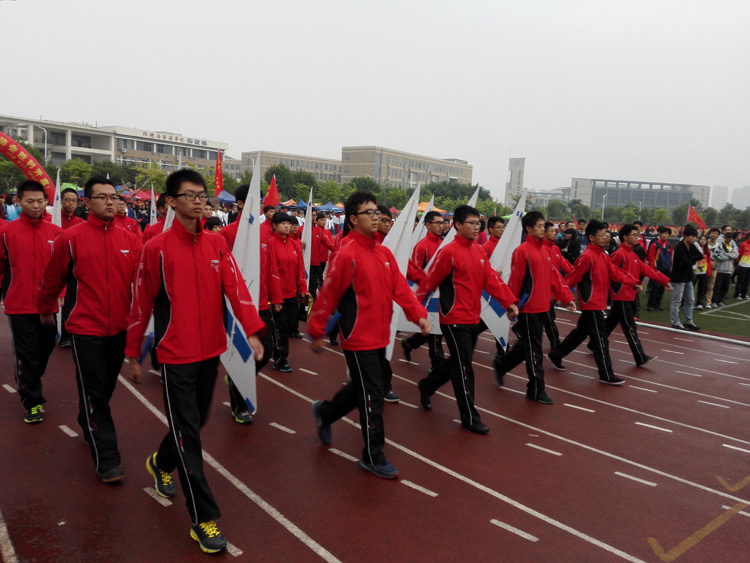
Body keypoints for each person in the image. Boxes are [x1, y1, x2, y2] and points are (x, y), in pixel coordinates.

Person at [123, 169, 265, 554]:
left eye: (203, 195)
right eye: (191, 195)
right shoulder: (156, 248)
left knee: (195, 423)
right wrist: (133, 354)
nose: (200, 201)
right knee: (189, 435)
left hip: (210, 352)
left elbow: (236, 289)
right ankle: (203, 518)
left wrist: (252, 331)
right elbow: (141, 304)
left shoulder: (216, 244)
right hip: (174, 355)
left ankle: (160, 462)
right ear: (171, 202)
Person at [309, 191, 430, 479]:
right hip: (357, 337)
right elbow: (327, 295)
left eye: (379, 213)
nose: (377, 218)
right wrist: (316, 330)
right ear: (353, 219)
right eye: (370, 213)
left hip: (380, 335)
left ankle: (325, 412)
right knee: (373, 395)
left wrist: (418, 314)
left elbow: (400, 288)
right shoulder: (346, 254)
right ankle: (373, 455)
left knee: (361, 388)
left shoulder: (384, 254)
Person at [38, 176, 142, 482]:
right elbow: (52, 278)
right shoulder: (70, 239)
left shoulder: (130, 240)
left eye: (114, 197)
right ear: (88, 202)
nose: (110, 202)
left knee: (104, 388)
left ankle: (87, 417)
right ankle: (108, 459)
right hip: (85, 328)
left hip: (119, 327)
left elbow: (143, 284)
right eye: (102, 197)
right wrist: (45, 309)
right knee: (95, 390)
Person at [415, 205, 518, 432]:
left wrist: (509, 302)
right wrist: (416, 311)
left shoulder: (479, 251)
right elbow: (429, 283)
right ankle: (470, 417)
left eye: (478, 223)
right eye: (472, 223)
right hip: (453, 318)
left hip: (473, 317)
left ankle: (427, 385)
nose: (477, 227)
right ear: (458, 225)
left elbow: (491, 280)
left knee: (457, 362)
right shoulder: (448, 252)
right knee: (464, 368)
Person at [493, 212, 574, 404]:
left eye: (543, 226)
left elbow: (555, 278)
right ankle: (536, 389)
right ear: (528, 228)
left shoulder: (545, 251)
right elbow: (515, 280)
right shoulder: (522, 251)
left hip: (543, 306)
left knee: (528, 345)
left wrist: (567, 298)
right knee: (534, 350)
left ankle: (502, 364)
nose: (543, 229)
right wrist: (511, 304)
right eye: (539, 226)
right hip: (528, 309)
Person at [219, 183, 282, 423]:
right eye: (254, 202)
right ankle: (239, 406)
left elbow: (271, 268)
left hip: (261, 304)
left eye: (261, 202)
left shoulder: (265, 234)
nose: (259, 207)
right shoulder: (227, 234)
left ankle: (236, 378)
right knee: (241, 356)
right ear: (241, 204)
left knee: (265, 352)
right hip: (236, 307)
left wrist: (276, 298)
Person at [548, 220, 639, 385]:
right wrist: (561, 297)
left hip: (599, 303)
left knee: (581, 333)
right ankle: (606, 373)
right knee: (600, 338)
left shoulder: (602, 255)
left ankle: (556, 354)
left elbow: (616, 272)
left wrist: (633, 282)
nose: (605, 238)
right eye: (602, 235)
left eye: (606, 234)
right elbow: (572, 278)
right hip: (591, 304)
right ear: (591, 237)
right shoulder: (587, 257)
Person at [0, 181, 62, 423]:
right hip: (19, 304)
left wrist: (61, 292)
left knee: (45, 348)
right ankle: (32, 401)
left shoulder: (56, 232)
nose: (36, 205)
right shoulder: (7, 232)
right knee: (27, 354)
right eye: (30, 201)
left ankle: (30, 378)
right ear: (19, 201)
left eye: (40, 201)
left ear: (46, 202)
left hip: (47, 306)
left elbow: (63, 268)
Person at [602, 224, 673, 365]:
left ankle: (594, 344)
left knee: (610, 323)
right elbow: (611, 274)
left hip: (629, 295)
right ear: (625, 237)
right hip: (621, 296)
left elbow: (647, 269)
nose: (637, 237)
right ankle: (640, 357)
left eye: (638, 235)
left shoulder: (633, 255)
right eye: (634, 235)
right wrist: (617, 291)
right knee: (630, 327)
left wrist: (664, 281)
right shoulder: (619, 255)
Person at [402, 211, 446, 373]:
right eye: (438, 223)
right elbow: (414, 273)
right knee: (435, 332)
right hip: (428, 295)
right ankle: (437, 366)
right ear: (428, 225)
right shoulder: (422, 247)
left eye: (443, 223)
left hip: (442, 294)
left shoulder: (444, 245)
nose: (442, 226)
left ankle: (409, 343)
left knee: (434, 329)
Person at [268, 211, 308, 371]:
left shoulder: (294, 244)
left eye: (288, 223)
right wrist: (274, 296)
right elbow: (270, 272)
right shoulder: (270, 243)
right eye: (283, 223)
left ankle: (270, 344)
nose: (287, 226)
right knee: (281, 328)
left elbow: (300, 268)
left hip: (292, 293)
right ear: (274, 225)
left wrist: (303, 289)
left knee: (292, 325)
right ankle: (280, 359)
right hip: (276, 295)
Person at [542, 220, 574, 349]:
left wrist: (577, 274)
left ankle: (519, 329)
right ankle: (556, 344)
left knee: (544, 318)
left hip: (554, 288)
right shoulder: (542, 250)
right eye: (551, 231)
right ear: (544, 233)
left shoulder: (555, 248)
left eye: (554, 231)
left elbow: (564, 264)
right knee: (549, 318)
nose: (554, 233)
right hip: (544, 290)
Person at [669, 225, 703, 331]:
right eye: (692, 236)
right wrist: (691, 260)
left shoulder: (692, 246)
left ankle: (688, 321)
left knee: (690, 300)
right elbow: (685, 262)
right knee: (677, 300)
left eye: (695, 237)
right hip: (678, 277)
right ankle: (675, 322)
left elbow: (700, 255)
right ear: (686, 236)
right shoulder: (679, 247)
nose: (694, 239)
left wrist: (689, 259)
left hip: (688, 277)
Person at [306, 212, 336, 298]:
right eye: (321, 220)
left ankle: (319, 295)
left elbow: (330, 243)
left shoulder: (326, 232)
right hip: (315, 259)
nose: (323, 222)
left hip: (323, 259)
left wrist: (338, 249)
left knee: (319, 277)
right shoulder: (311, 230)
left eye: (324, 220)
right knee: (317, 279)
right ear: (317, 221)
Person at [646, 227, 673, 311]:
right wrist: (653, 268)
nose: (664, 235)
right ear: (660, 234)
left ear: (669, 235)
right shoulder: (655, 244)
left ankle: (657, 304)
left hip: (666, 268)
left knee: (662, 287)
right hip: (657, 268)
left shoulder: (669, 245)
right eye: (663, 233)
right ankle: (650, 305)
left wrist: (670, 267)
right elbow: (651, 257)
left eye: (666, 234)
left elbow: (671, 256)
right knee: (655, 287)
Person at [711, 231, 738, 308]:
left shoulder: (733, 245)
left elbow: (736, 255)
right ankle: (714, 301)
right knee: (717, 286)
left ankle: (721, 300)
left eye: (730, 237)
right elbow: (719, 257)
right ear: (724, 237)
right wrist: (730, 255)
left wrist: (727, 254)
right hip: (720, 269)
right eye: (727, 237)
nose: (729, 239)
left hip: (729, 270)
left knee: (725, 287)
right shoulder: (720, 245)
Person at [694, 235, 712, 309]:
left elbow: (709, 261)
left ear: (707, 241)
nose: (703, 241)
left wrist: (708, 271)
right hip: (695, 271)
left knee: (701, 288)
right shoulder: (695, 248)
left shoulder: (708, 250)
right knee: (691, 287)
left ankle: (699, 303)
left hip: (703, 272)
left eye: (704, 239)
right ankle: (687, 302)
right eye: (701, 239)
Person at [733, 232, 750, 300]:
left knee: (747, 281)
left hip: (749, 266)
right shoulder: (744, 244)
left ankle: (744, 294)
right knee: (740, 280)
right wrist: (736, 263)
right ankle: (737, 294)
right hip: (742, 265)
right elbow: (739, 254)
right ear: (748, 236)